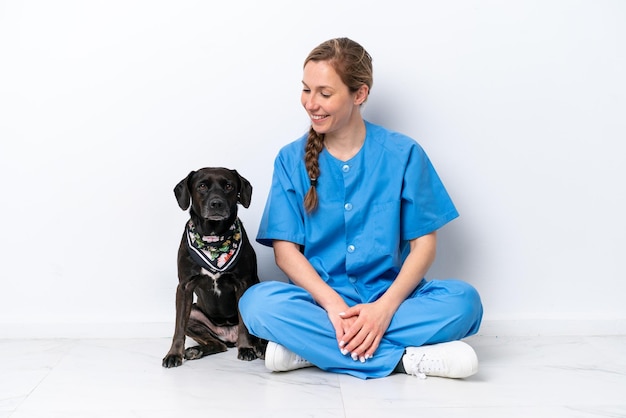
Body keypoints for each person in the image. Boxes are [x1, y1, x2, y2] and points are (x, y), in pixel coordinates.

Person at [239, 37, 483, 380]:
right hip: (320, 304)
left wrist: (383, 310)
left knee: (465, 302)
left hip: (392, 299)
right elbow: (285, 253)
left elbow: (424, 246)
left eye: (325, 93)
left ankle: (311, 350)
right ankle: (404, 361)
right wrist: (335, 306)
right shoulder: (289, 159)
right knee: (257, 304)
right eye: (306, 89)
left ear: (359, 94)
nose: (311, 103)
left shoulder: (404, 154)